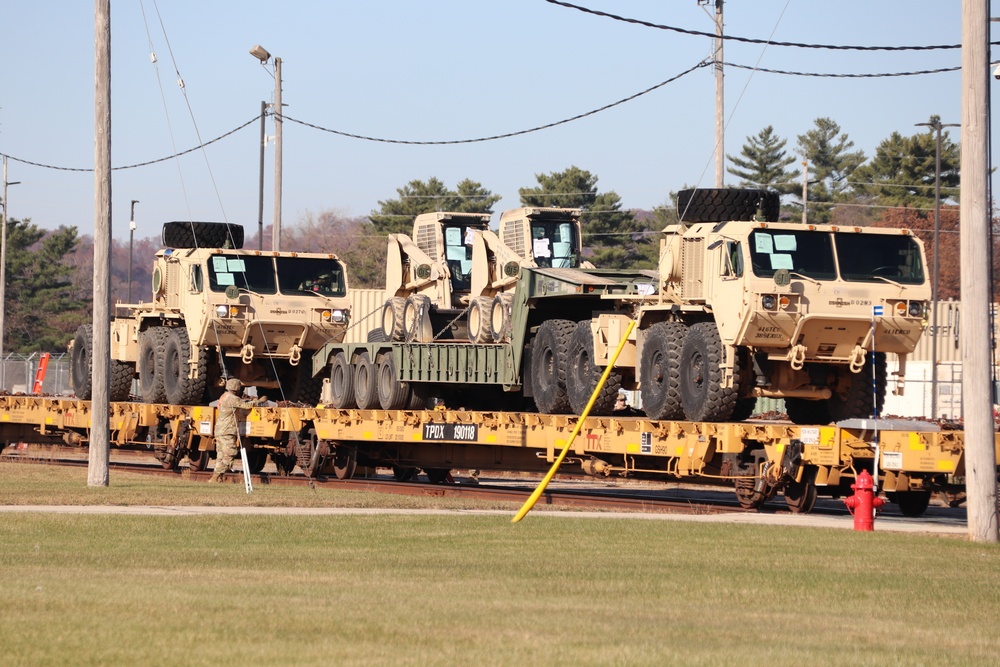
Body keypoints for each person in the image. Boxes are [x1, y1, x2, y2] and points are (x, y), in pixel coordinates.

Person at [209, 378, 267, 482]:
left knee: (221, 455)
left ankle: (218, 478)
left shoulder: (224, 396)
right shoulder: (232, 398)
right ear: (237, 388)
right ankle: (215, 477)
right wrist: (259, 401)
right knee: (230, 453)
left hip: (220, 430)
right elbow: (246, 405)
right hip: (228, 430)